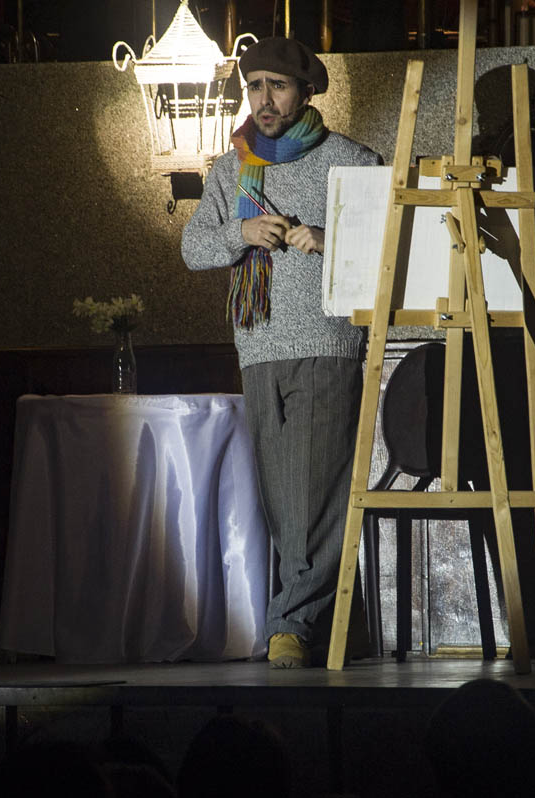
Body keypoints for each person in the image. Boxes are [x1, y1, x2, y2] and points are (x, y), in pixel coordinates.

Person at [180, 37, 380, 669]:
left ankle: (290, 624)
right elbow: (193, 249)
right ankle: (334, 622)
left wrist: (329, 239)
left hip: (326, 341)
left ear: (307, 91)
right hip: (258, 344)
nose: (264, 100)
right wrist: (239, 231)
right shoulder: (232, 166)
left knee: (315, 490)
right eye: (255, 86)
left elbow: (392, 249)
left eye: (279, 86)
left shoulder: (351, 160)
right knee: (284, 498)